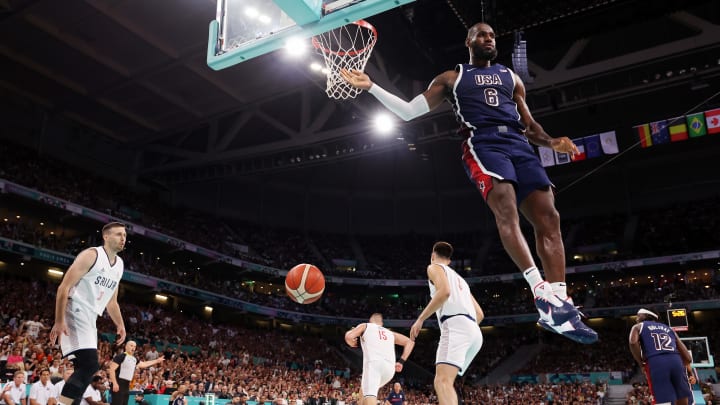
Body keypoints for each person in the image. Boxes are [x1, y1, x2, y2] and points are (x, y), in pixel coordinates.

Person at [341, 22, 597, 344]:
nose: (489, 38)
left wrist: (552, 142)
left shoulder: (511, 78)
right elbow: (408, 112)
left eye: (492, 35)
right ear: (469, 41)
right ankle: (540, 290)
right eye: (482, 34)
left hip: (520, 144)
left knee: (550, 217)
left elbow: (530, 125)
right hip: (483, 144)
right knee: (506, 208)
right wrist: (372, 87)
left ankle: (559, 303)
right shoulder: (452, 78)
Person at [49, 222, 128, 405]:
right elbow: (63, 288)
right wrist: (59, 321)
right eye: (118, 234)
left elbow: (112, 302)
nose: (123, 238)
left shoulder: (119, 265)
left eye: (124, 235)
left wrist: (120, 325)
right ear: (106, 237)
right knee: (90, 364)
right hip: (74, 309)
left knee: (83, 368)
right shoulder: (91, 255)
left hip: (91, 316)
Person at [409, 242, 484, 405]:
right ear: (449, 261)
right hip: (475, 332)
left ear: (433, 255)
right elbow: (480, 314)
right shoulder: (462, 281)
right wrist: (467, 329)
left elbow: (445, 292)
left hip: (456, 325)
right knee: (446, 381)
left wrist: (420, 319)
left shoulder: (434, 267)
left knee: (442, 382)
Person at [628, 308, 695, 405]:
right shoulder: (668, 328)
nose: (636, 318)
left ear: (646, 316)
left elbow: (633, 342)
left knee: (663, 398)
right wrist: (687, 370)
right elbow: (688, 357)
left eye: (639, 315)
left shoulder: (638, 326)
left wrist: (641, 363)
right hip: (676, 360)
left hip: (656, 361)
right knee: (682, 394)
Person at [344, 313, 414, 405]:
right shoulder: (390, 333)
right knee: (364, 390)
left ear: (370, 321)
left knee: (370, 395)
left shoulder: (366, 326)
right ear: (381, 323)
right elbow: (410, 342)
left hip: (374, 365)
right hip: (389, 370)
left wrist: (350, 341)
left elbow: (349, 336)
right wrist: (401, 361)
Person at [107, 341, 164, 405]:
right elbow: (112, 370)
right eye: (131, 345)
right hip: (118, 383)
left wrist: (157, 360)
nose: (133, 348)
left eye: (134, 346)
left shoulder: (134, 359)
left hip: (126, 385)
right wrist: (114, 383)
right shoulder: (120, 356)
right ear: (126, 347)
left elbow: (144, 364)